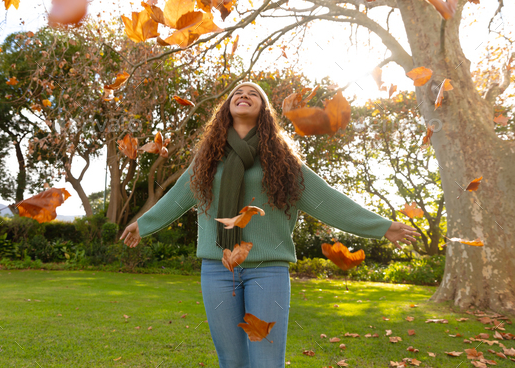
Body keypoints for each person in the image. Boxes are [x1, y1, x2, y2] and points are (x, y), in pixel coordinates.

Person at [119, 81, 420, 368]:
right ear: (227, 106)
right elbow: (177, 199)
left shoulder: (282, 159)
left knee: (266, 362)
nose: (245, 95)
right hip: (217, 269)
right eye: (238, 92)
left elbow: (326, 201)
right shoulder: (208, 159)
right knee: (232, 361)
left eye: (253, 93)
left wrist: (382, 226)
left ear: (264, 109)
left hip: (268, 270)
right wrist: (143, 224)